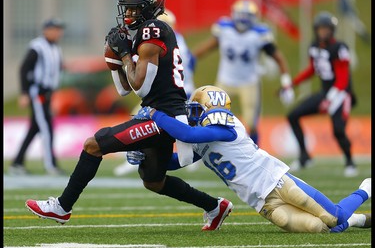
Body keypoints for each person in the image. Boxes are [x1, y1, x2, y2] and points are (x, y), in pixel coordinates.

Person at [25, 0, 232, 231]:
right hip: (158, 113)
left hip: (163, 116)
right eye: (127, 8)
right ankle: (215, 206)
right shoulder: (145, 33)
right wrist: (113, 59)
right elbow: (125, 89)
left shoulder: (153, 29)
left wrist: (124, 54)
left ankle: (62, 207)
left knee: (93, 144)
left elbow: (141, 87)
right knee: (153, 181)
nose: (129, 13)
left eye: (134, 8)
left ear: (149, 7)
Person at [131, 85, 371, 233]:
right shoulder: (201, 139)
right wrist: (145, 155)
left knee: (335, 218)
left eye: (196, 108)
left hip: (278, 181)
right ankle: (359, 220)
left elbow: (186, 133)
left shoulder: (226, 125)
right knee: (323, 228)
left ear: (210, 108)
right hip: (262, 203)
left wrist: (155, 114)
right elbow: (176, 162)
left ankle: (365, 189)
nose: (191, 113)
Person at [193, 0, 294, 145]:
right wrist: (190, 58)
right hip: (225, 81)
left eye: (247, 16)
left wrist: (286, 83)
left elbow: (279, 58)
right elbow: (208, 47)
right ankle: (207, 149)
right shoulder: (225, 29)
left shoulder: (259, 34)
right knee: (210, 116)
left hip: (248, 83)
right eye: (241, 15)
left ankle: (254, 152)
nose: (243, 19)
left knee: (251, 123)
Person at [113, 8, 197, 176]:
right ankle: (143, 155)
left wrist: (125, 55)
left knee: (141, 120)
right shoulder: (177, 39)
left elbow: (139, 79)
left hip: (170, 95)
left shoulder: (157, 40)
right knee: (180, 140)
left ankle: (137, 155)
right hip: (181, 90)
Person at [283, 11, 358, 177]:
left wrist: (330, 99)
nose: (323, 32)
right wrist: (291, 85)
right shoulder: (314, 47)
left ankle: (350, 162)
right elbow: (312, 70)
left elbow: (343, 78)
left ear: (332, 30)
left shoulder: (339, 47)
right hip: (326, 92)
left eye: (326, 29)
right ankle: (304, 156)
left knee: (338, 130)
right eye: (320, 29)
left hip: (342, 94)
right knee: (293, 115)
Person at [8, 18, 66, 176]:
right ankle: (51, 165)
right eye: (55, 29)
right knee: (47, 128)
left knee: (34, 129)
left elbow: (56, 72)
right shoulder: (37, 46)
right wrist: (24, 93)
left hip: (47, 94)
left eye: (59, 29)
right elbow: (24, 69)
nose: (58, 32)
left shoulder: (56, 48)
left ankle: (17, 163)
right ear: (46, 30)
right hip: (37, 92)